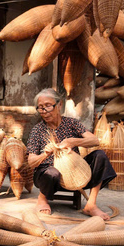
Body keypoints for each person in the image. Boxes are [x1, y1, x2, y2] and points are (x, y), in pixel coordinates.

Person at [27, 88, 116, 220]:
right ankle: (42, 199)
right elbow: (31, 161)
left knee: (100, 156)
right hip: (49, 177)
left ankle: (91, 205)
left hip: (75, 172)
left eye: (48, 106)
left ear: (59, 105)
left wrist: (73, 141)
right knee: (52, 172)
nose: (44, 112)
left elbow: (94, 140)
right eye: (40, 108)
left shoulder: (71, 123)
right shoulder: (38, 130)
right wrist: (45, 154)